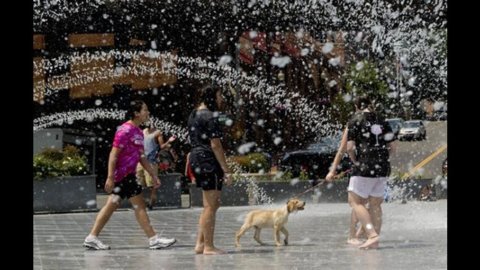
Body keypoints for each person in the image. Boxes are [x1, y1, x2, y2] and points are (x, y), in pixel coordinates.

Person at [83, 100, 176, 250]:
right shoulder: (124, 130)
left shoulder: (139, 132)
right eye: (145, 110)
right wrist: (110, 177)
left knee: (120, 205)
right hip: (121, 175)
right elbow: (113, 155)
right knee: (136, 206)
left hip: (128, 175)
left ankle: (92, 237)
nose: (148, 113)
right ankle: (153, 239)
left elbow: (142, 157)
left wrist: (153, 175)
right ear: (136, 113)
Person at [345, 95, 396, 249]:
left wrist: (355, 161)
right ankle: (375, 239)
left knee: (355, 202)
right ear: (370, 104)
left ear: (356, 106)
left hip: (365, 166)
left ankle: (371, 234)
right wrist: (381, 158)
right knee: (375, 204)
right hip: (383, 167)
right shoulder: (382, 119)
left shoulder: (355, 120)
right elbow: (393, 148)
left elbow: (349, 148)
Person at [187, 85, 232, 255]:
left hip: (197, 158)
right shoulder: (210, 117)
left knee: (212, 204)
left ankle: (200, 244)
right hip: (208, 160)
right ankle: (208, 246)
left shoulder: (193, 114)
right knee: (210, 206)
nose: (221, 99)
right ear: (212, 96)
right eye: (219, 95)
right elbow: (216, 144)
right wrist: (226, 170)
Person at [325, 127, 365, 245]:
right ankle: (363, 232)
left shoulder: (353, 124)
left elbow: (344, 149)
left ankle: (355, 235)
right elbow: (391, 147)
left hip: (361, 169)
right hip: (376, 169)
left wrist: (332, 171)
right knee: (371, 203)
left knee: (357, 203)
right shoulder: (377, 121)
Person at [136, 125, 176, 209]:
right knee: (139, 182)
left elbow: (162, 146)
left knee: (152, 184)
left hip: (151, 161)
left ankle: (151, 203)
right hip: (141, 160)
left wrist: (169, 141)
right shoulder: (143, 131)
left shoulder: (158, 133)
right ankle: (142, 202)